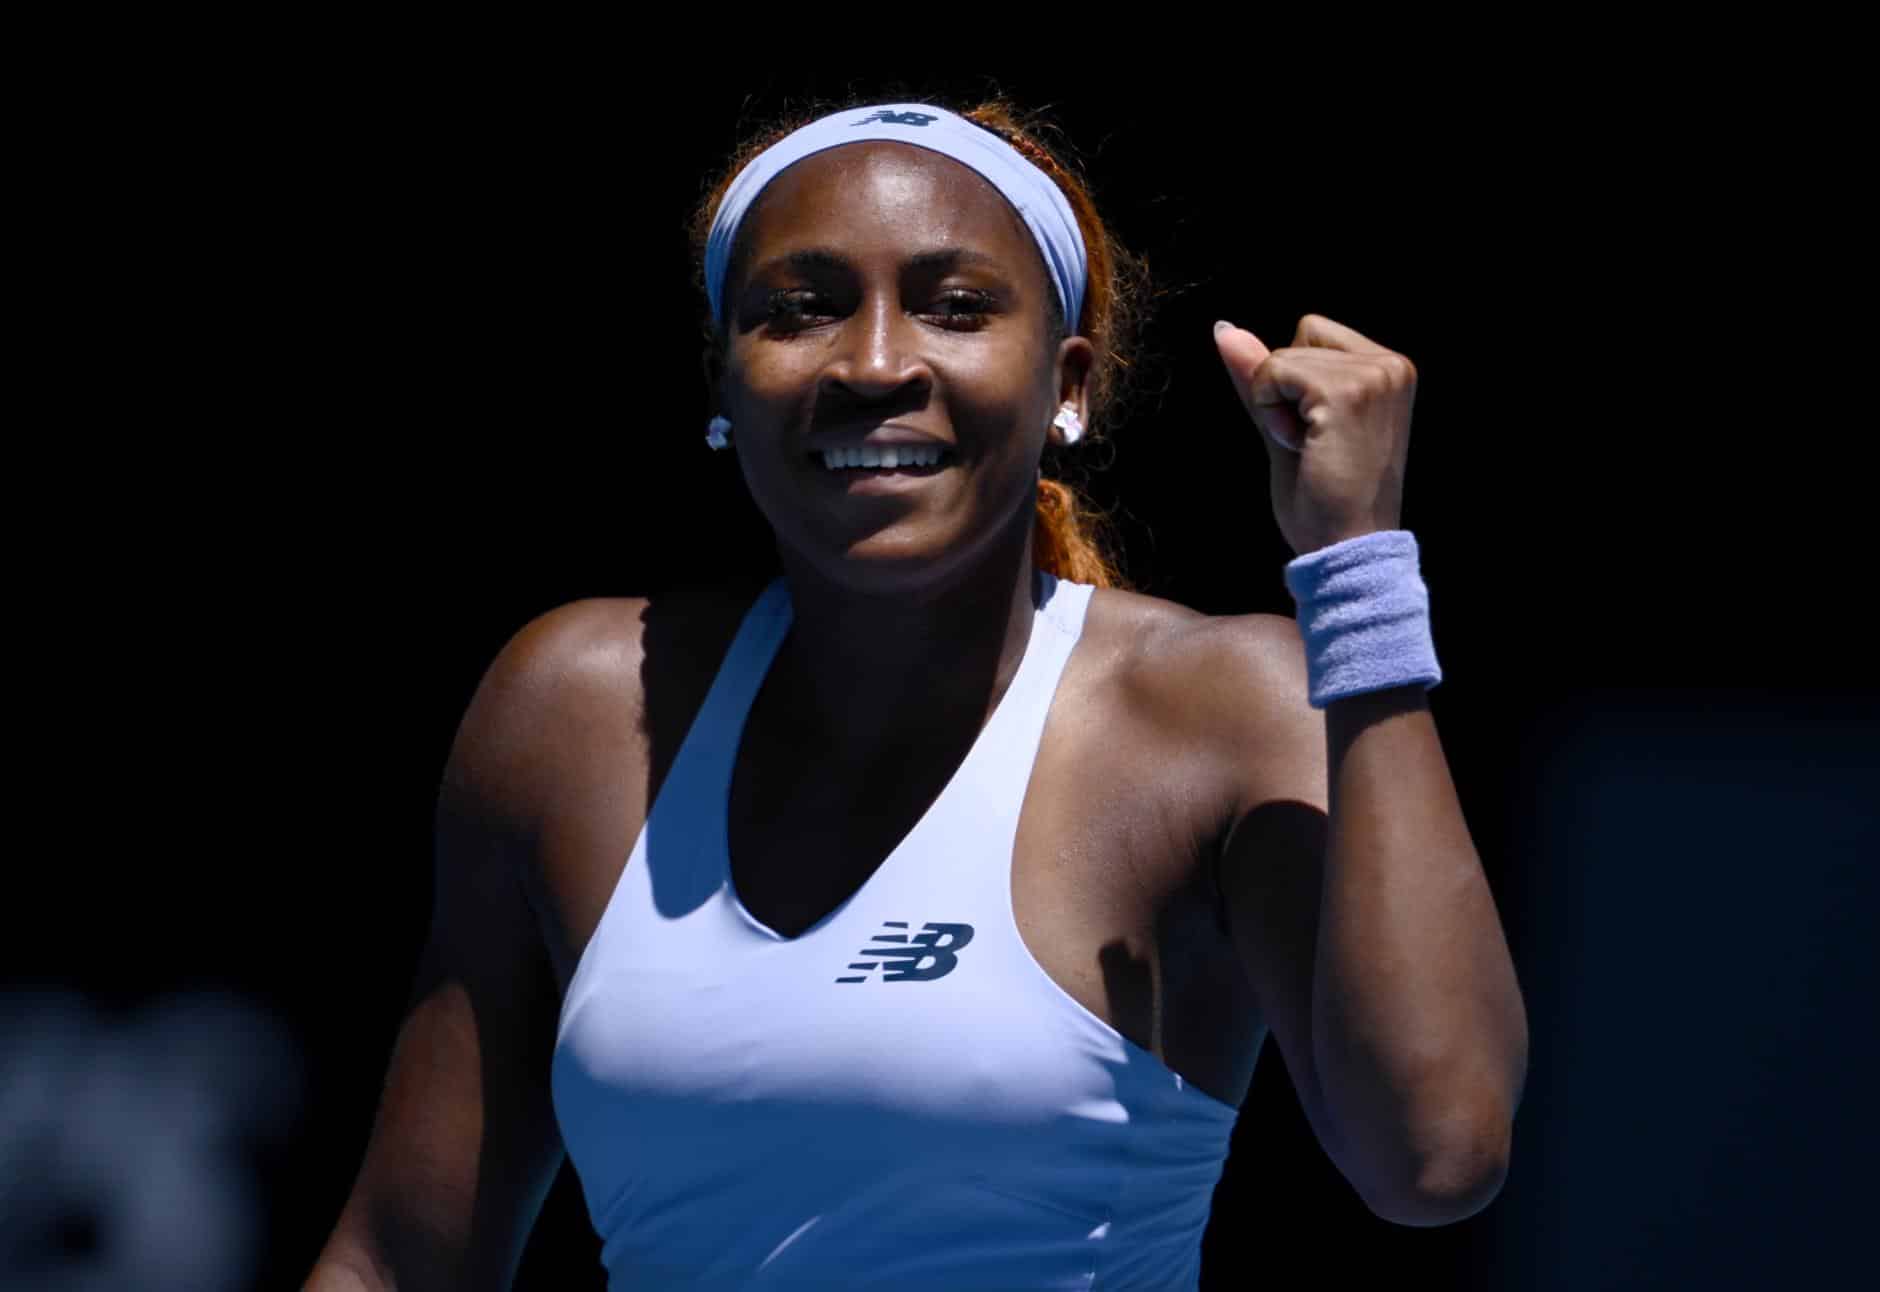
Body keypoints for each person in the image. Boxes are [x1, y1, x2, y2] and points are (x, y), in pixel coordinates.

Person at [304, 92, 1528, 1290]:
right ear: (723, 381)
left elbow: (1437, 1153)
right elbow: (396, 1258)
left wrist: (1358, 569)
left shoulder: (1224, 705)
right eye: (801, 309)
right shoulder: (566, 709)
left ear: (1068, 385)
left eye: (954, 307)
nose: (876, 361)